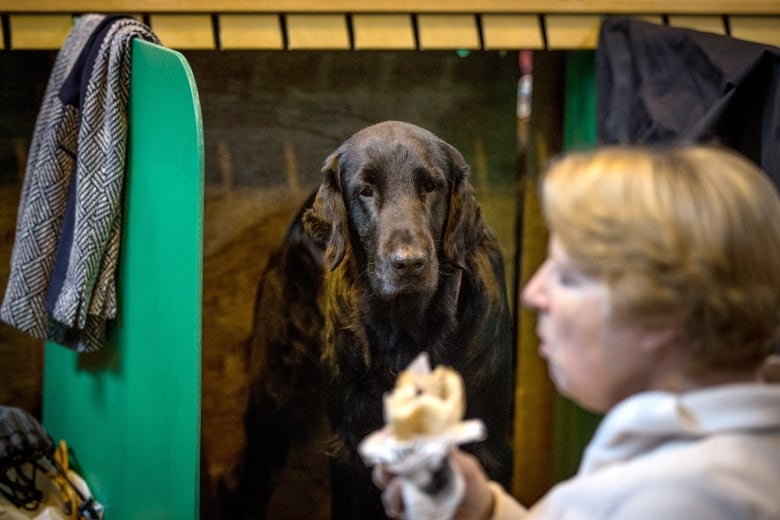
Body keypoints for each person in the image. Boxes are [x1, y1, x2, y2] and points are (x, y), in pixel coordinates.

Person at [372, 145, 780, 519]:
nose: (533, 294)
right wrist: (482, 509)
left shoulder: (678, 501)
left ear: (664, 312)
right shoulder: (732, 458)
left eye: (568, 277)